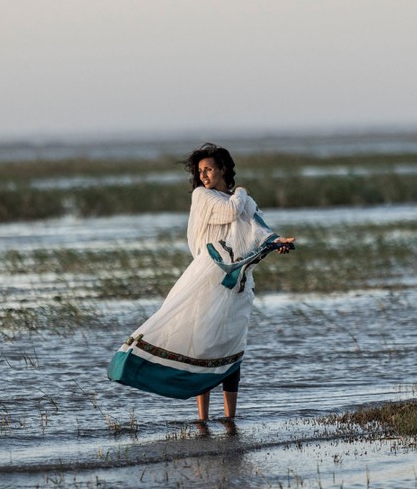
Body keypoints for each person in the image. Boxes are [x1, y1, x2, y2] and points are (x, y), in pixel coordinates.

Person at [107, 143, 294, 421]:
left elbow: (258, 229)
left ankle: (230, 417)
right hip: (206, 278)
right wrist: (241, 190)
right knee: (202, 342)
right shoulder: (204, 196)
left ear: (222, 169)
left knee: (232, 346)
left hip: (237, 283)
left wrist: (277, 242)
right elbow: (231, 211)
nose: (204, 175)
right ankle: (202, 417)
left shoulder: (242, 202)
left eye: (208, 169)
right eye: (200, 171)